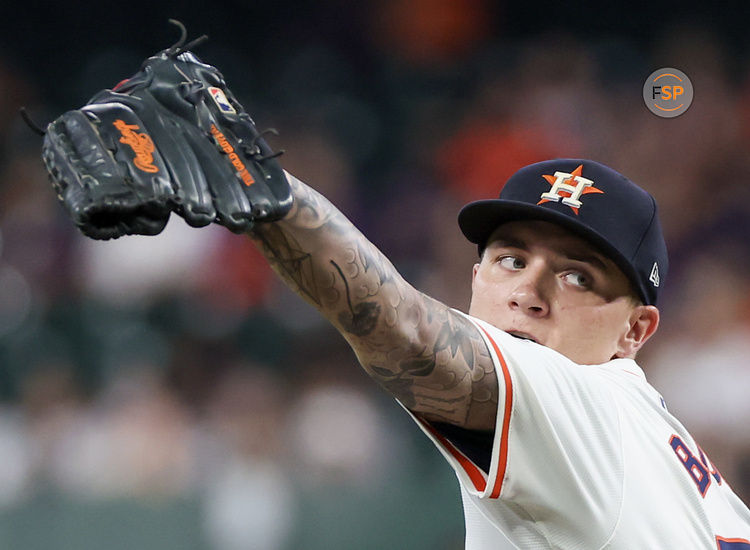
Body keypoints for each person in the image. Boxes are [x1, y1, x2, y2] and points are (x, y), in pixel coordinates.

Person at [247, 158, 750, 548]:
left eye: (578, 276)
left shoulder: (587, 405)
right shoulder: (689, 475)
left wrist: (257, 181)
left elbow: (406, 328)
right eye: (511, 260)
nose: (527, 293)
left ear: (634, 331)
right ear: (474, 281)